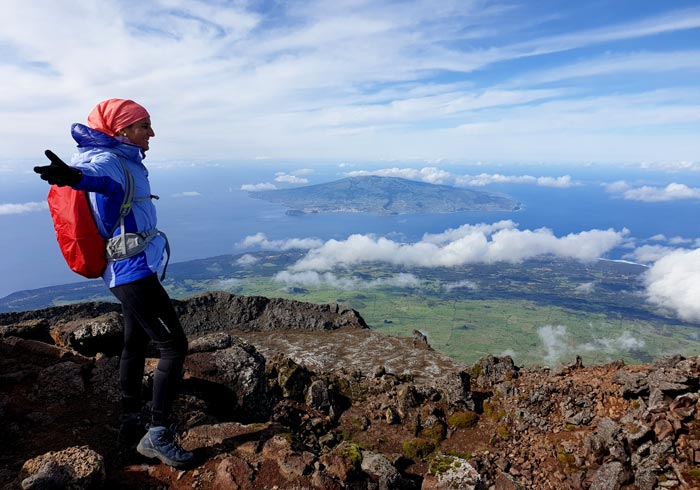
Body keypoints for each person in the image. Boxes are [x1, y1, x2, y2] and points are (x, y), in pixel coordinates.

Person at [33, 98, 194, 469]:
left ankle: (129, 418)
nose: (152, 132)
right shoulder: (110, 161)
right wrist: (74, 178)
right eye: (144, 126)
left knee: (135, 341)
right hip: (132, 271)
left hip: (130, 267)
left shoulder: (123, 158)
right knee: (173, 346)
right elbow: (99, 181)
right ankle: (157, 434)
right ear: (121, 130)